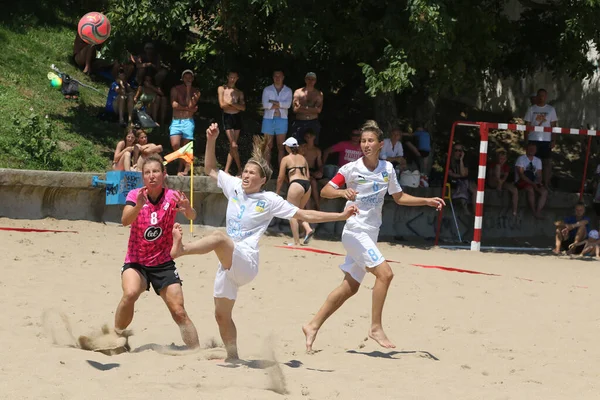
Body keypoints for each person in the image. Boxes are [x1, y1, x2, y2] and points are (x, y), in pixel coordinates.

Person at [169, 123, 358, 361]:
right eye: (245, 171)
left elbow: (304, 215)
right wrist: (211, 140)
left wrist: (340, 216)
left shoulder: (269, 199)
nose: (245, 175)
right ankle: (233, 356)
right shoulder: (235, 186)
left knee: (219, 237)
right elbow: (209, 168)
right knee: (221, 315)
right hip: (227, 264)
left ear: (262, 179)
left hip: (246, 260)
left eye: (251, 173)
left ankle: (182, 249)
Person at [302, 120, 445, 353]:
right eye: (363, 141)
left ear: (380, 145)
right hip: (354, 231)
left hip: (370, 233)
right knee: (386, 274)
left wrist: (426, 201)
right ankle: (375, 327)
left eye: (370, 141)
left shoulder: (387, 169)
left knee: (349, 287)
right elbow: (325, 190)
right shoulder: (351, 168)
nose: (366, 144)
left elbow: (399, 197)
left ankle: (312, 325)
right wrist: (341, 192)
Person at [112, 154, 199, 349]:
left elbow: (192, 215)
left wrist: (187, 209)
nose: (152, 176)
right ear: (143, 177)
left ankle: (196, 351)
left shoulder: (172, 196)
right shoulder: (135, 195)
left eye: (156, 171)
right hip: (137, 261)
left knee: (179, 311)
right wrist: (140, 205)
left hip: (163, 263)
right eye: (147, 172)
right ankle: (116, 336)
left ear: (163, 174)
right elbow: (125, 221)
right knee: (130, 293)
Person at [276, 137, 314, 246]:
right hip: (307, 185)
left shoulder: (286, 159)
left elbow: (280, 177)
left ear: (288, 147)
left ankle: (296, 241)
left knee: (291, 213)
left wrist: (277, 192)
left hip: (296, 184)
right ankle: (308, 229)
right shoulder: (303, 158)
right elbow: (308, 176)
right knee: (299, 211)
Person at [524, 88, 558, 189]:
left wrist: (553, 140)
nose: (541, 98)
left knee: (546, 162)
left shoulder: (551, 109)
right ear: (537, 96)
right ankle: (532, 183)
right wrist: (525, 140)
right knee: (532, 161)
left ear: (546, 97)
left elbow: (554, 126)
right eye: (539, 96)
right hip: (533, 139)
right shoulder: (531, 109)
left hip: (546, 140)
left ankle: (546, 184)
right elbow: (527, 125)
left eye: (543, 96)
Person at [170, 70, 200, 175]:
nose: (188, 79)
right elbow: (174, 104)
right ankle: (187, 163)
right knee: (175, 144)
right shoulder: (175, 89)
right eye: (186, 77)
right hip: (176, 120)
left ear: (192, 78)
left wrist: (188, 90)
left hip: (188, 121)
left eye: (190, 77)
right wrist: (188, 110)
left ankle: (182, 170)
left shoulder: (196, 91)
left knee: (185, 147)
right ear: (182, 78)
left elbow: (190, 104)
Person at [261, 70, 293, 166]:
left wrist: (273, 102)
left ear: (283, 77)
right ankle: (267, 169)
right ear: (273, 77)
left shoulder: (288, 90)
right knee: (268, 146)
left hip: (282, 120)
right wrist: (280, 104)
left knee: (281, 146)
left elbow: (288, 105)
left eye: (279, 76)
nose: (277, 78)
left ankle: (281, 169)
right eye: (275, 76)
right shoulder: (267, 90)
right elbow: (265, 105)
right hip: (268, 119)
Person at [218, 71, 246, 175]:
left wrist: (230, 103)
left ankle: (227, 170)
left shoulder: (239, 92)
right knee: (234, 145)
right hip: (227, 117)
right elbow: (222, 105)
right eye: (231, 77)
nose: (232, 79)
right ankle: (239, 169)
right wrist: (234, 104)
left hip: (236, 117)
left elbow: (243, 108)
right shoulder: (222, 89)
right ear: (228, 77)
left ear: (237, 78)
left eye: (234, 78)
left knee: (233, 145)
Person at [515, 142, 547, 219]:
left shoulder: (538, 160)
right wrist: (533, 184)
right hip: (521, 181)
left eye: (533, 149)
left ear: (536, 150)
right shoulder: (521, 159)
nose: (532, 150)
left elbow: (539, 174)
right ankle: (533, 211)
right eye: (530, 148)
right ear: (526, 149)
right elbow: (521, 175)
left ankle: (538, 211)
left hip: (533, 180)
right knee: (530, 190)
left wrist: (539, 182)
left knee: (544, 192)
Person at [291, 72, 323, 144]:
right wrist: (312, 109)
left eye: (312, 79)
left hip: (313, 122)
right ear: (305, 80)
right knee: (297, 146)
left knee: (312, 146)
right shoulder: (298, 92)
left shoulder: (319, 94)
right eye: (308, 79)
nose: (310, 81)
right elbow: (295, 109)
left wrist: (302, 107)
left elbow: (319, 110)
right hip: (299, 122)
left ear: (315, 81)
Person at [487, 148, 518, 216]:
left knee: (514, 190)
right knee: (498, 167)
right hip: (492, 182)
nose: (502, 160)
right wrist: (498, 180)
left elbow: (505, 177)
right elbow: (490, 175)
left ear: (506, 159)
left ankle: (514, 211)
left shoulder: (506, 167)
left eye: (503, 159)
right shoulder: (494, 165)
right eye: (500, 158)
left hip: (501, 182)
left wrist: (501, 182)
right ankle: (499, 190)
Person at [448, 143, 477, 215]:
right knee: (462, 188)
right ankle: (466, 211)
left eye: (460, 151)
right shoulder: (449, 161)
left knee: (475, 190)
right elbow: (451, 174)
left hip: (465, 181)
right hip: (454, 182)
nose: (458, 152)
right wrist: (461, 176)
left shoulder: (464, 161)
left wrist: (461, 160)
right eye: (456, 150)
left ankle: (475, 212)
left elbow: (464, 173)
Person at [300, 130, 324, 210]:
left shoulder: (317, 150)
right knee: (312, 182)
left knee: (314, 181)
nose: (308, 138)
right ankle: (317, 206)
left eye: (310, 136)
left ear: (314, 137)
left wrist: (320, 171)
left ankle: (318, 205)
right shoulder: (302, 148)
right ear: (304, 138)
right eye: (307, 137)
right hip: (302, 170)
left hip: (312, 170)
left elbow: (320, 164)